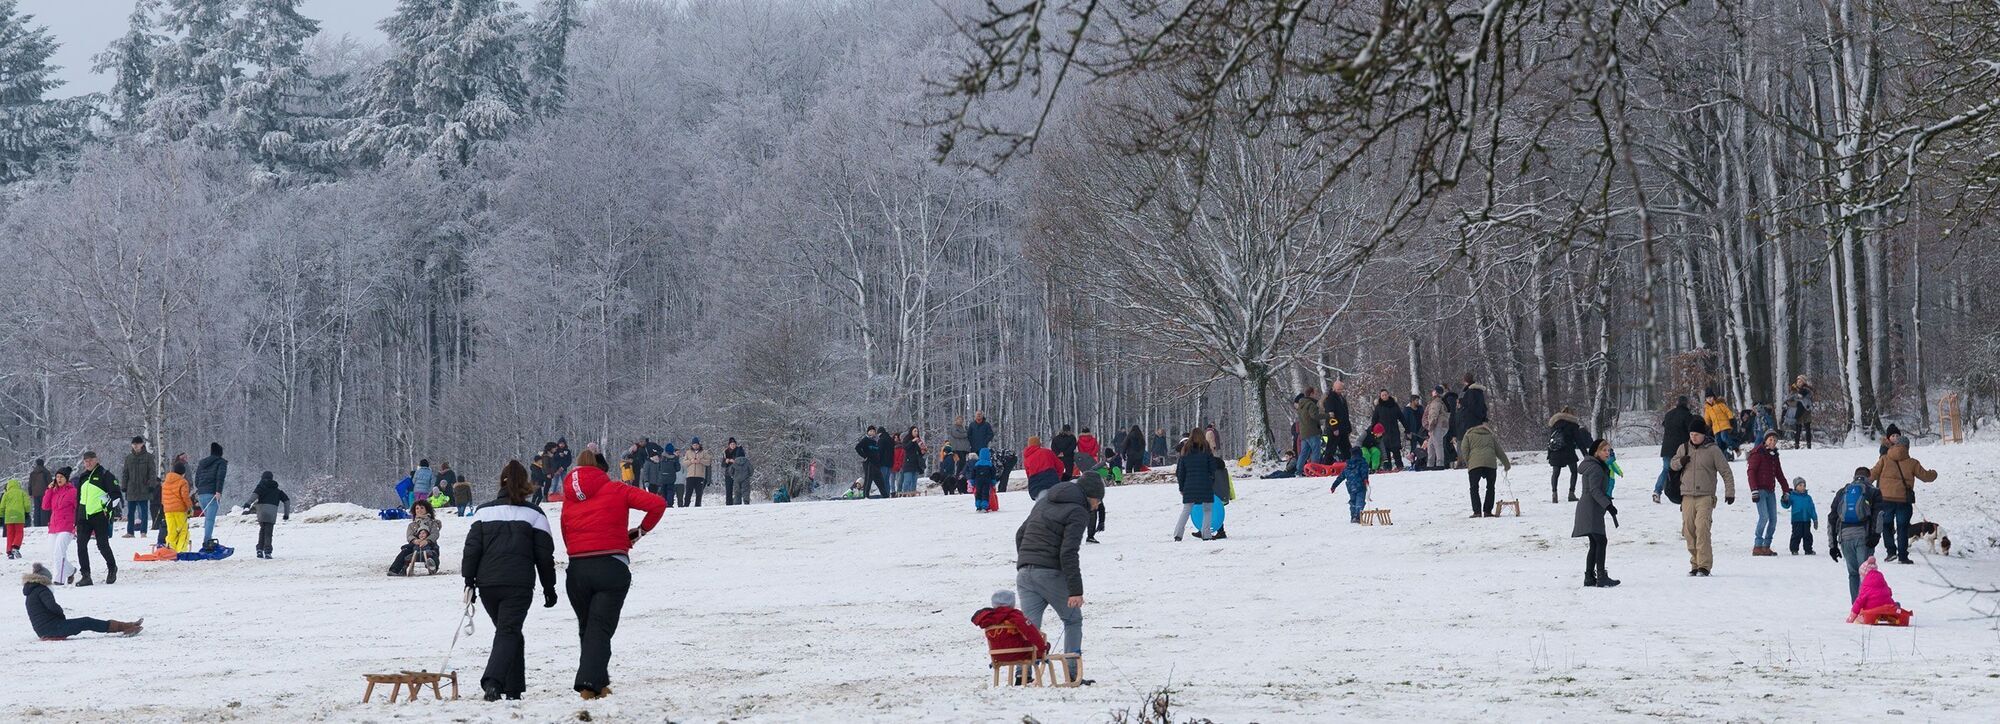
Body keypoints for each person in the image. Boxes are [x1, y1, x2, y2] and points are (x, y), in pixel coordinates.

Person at [558, 448, 667, 700]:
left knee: (588, 627)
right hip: (611, 565)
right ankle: (587, 684)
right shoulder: (616, 489)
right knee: (600, 627)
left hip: (577, 568)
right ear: (600, 468)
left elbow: (565, 531)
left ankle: (600, 681)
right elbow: (658, 504)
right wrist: (640, 531)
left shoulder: (569, 499)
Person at [463, 460, 559, 701]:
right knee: (508, 631)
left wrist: (469, 581)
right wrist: (550, 587)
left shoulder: (483, 511)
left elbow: (472, 549)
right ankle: (493, 682)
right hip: (518, 583)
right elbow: (544, 555)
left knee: (509, 631)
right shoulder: (534, 514)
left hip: (488, 584)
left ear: (501, 482)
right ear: (525, 483)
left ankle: (514, 689)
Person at [1014, 472, 1101, 683]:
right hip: (1049, 572)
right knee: (1073, 620)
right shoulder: (1078, 511)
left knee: (1030, 626)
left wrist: (1026, 559)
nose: (1097, 506)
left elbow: (1020, 533)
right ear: (1091, 496)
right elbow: (1068, 552)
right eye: (1098, 500)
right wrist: (1075, 591)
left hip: (1024, 572)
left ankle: (1021, 673)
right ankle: (1073, 674)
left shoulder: (1044, 501)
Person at [1670, 429, 1736, 576]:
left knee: (1702, 529)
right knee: (1688, 531)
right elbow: (1672, 464)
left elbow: (1726, 471)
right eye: (1691, 434)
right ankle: (1695, 563)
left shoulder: (1713, 450)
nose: (1693, 437)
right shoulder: (1684, 448)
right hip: (1686, 496)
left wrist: (1730, 492)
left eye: (1696, 434)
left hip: (1705, 496)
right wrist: (1680, 461)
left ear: (1703, 435)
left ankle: (1704, 566)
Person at [22, 564, 142, 640]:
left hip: (43, 630)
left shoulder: (31, 591)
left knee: (85, 622)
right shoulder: (42, 589)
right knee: (86, 621)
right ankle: (125, 627)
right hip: (52, 629)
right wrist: (61, 616)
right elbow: (52, 607)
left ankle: (128, 625)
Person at [1870, 440, 1935, 565]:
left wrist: (1861, 480)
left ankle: (1891, 552)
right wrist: (1934, 473)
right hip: (1904, 500)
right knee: (1903, 528)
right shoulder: (1912, 463)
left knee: (1887, 525)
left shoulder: (1884, 459)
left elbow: (1872, 474)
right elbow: (1926, 477)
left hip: (1885, 499)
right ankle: (1903, 556)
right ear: (1908, 447)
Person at [1827, 468, 1883, 601]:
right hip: (1863, 537)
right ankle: (1867, 607)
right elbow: (1879, 516)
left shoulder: (1842, 492)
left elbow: (1832, 519)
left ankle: (1855, 607)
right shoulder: (1873, 492)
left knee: (1853, 574)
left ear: (1854, 476)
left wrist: (1833, 545)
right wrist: (1875, 536)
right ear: (1869, 477)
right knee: (1866, 574)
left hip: (1845, 537)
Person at [1572, 439, 1619, 588]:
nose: (1607, 453)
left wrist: (1607, 503)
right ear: (1596, 452)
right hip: (1591, 508)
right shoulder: (1596, 468)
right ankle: (1601, 577)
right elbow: (1594, 490)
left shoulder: (1594, 465)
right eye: (1604, 450)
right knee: (1601, 541)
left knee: (1595, 542)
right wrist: (1608, 505)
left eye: (1608, 450)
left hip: (1589, 507)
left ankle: (1589, 577)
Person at [973, 589, 1050, 678]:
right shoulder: (1015, 616)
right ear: (1012, 603)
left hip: (997, 656)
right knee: (1045, 645)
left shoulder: (988, 618)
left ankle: (1020, 677)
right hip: (1019, 654)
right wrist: (1042, 647)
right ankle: (1026, 677)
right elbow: (1031, 632)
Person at [73, 453, 120, 587]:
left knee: (102, 545)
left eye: (90, 460)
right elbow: (78, 500)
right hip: (83, 516)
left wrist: (107, 508)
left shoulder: (105, 474)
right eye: (85, 461)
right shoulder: (82, 477)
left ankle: (112, 567)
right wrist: (76, 520)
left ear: (96, 460)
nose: (88, 463)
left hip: (99, 515)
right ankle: (86, 575)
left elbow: (116, 495)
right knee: (81, 545)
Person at [1174, 432, 1226, 541]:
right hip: (1205, 486)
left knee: (1186, 510)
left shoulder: (1185, 453)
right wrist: (1210, 480)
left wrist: (1181, 487)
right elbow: (1213, 468)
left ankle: (1178, 534)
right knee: (1207, 510)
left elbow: (1180, 473)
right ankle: (1206, 534)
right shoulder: (1206, 452)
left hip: (1189, 486)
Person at [1744, 431, 1789, 556]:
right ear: (1765, 440)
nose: (1773, 442)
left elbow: (1779, 474)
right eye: (1770, 440)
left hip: (1770, 491)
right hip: (1760, 490)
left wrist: (1786, 490)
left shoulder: (1774, 456)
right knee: (1764, 517)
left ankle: (1766, 545)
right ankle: (1758, 545)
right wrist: (1754, 490)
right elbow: (1751, 472)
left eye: (1775, 440)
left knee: (1773, 519)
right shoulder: (1758, 453)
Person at [1460, 422, 1511, 517]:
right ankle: (1487, 511)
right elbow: (1499, 451)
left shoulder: (1468, 435)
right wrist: (1506, 464)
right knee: (1490, 487)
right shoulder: (1490, 436)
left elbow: (1464, 449)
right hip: (1490, 463)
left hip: (1475, 464)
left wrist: (1469, 462)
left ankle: (1477, 512)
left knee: (1474, 488)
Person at [241, 471, 292, 559]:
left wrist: (247, 504)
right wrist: (286, 514)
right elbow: (287, 501)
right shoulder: (278, 491)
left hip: (261, 511)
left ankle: (259, 550)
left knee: (262, 529)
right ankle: (267, 551)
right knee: (269, 532)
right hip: (271, 513)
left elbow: (254, 496)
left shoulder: (260, 487)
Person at [1655, 397, 1697, 503]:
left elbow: (1664, 424)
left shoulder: (1669, 414)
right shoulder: (1687, 416)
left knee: (1666, 470)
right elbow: (1691, 429)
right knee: (1683, 470)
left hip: (1666, 448)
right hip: (1679, 448)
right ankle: (1682, 490)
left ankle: (1657, 491)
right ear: (1686, 404)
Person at [1546, 408, 1589, 503]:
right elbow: (1579, 441)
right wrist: (1586, 455)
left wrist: (1549, 454)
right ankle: (1571, 494)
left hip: (1555, 451)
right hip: (1568, 451)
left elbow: (1551, 440)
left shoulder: (1554, 423)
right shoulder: (1572, 424)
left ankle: (1554, 494)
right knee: (1574, 471)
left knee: (1555, 473)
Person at [1847, 557, 1908, 624]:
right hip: (1886, 610)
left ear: (1864, 575)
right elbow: (1889, 592)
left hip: (1871, 612)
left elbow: (1858, 602)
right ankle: (1893, 615)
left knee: (1862, 609)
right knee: (1897, 604)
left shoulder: (1865, 586)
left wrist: (1851, 618)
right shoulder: (1881, 579)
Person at [389, 499, 443, 575]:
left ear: (427, 509)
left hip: (429, 544)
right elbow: (409, 535)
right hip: (415, 545)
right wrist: (415, 540)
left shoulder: (432, 523)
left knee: (434, 551)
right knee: (405, 551)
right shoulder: (412, 525)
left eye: (422, 508)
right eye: (417, 508)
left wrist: (427, 541)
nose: (419, 510)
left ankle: (433, 566)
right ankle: (395, 569)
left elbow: (435, 534)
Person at [42, 469, 77, 583]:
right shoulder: (54, 491)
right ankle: (70, 571)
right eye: (57, 477)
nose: (59, 479)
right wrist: (49, 490)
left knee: (59, 552)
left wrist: (77, 524)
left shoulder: (72, 491)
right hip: (54, 526)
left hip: (67, 526)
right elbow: (45, 506)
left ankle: (59, 579)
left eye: (61, 477)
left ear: (66, 478)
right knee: (53, 553)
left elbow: (78, 508)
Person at [121, 437, 157, 539]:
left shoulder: (148, 457)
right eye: (134, 444)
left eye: (138, 444)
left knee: (144, 511)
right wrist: (124, 486)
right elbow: (125, 473)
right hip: (131, 488)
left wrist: (151, 485)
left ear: (142, 444)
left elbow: (152, 472)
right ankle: (130, 532)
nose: (136, 446)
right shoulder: (129, 458)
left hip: (144, 488)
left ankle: (143, 532)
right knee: (130, 512)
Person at [195, 443, 229, 548]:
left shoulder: (202, 463)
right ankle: (207, 541)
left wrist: (200, 488)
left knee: (207, 518)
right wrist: (218, 491)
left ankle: (208, 538)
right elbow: (220, 477)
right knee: (210, 519)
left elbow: (197, 479)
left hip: (201, 494)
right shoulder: (221, 462)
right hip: (212, 494)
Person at [160, 459, 195, 552]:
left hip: (167, 510)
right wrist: (190, 507)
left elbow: (163, 498)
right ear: (183, 473)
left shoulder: (165, 482)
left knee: (171, 531)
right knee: (183, 531)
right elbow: (185, 496)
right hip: (179, 510)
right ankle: (181, 550)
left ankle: (170, 550)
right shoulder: (183, 482)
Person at [1334, 448, 1371, 523]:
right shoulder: (1362, 463)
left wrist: (1334, 486)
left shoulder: (1348, 465)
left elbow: (1341, 476)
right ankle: (1357, 516)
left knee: (1353, 501)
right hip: (1360, 485)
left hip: (1350, 487)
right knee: (1360, 501)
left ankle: (1353, 516)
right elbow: (1364, 472)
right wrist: (1365, 480)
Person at [1371, 390, 1405, 471]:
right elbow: (1374, 420)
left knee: (1396, 449)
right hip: (1383, 432)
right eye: (1382, 395)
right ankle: (1387, 467)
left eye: (1385, 395)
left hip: (1394, 431)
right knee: (1385, 450)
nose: (1384, 396)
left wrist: (1407, 428)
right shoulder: (1378, 407)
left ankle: (1400, 466)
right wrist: (1372, 430)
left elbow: (1401, 417)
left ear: (1388, 395)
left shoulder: (1394, 405)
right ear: (1380, 397)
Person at [1785, 478, 1817, 556]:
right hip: (1796, 520)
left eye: (1804, 485)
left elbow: (1812, 508)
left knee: (1807, 535)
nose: (1802, 487)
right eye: (1800, 485)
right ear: (1795, 487)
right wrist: (1785, 499)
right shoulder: (1792, 496)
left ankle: (1808, 549)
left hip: (1806, 520)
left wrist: (1815, 519)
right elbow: (1786, 505)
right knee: (1796, 534)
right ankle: (1794, 549)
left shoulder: (1808, 497)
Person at [1423, 387, 1449, 470]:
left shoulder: (1435, 402)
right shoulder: (1439, 402)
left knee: (1438, 444)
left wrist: (1431, 426)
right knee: (1431, 444)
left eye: (1433, 391)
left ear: (1436, 392)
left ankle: (1440, 464)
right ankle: (1429, 464)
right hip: (1439, 425)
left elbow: (1434, 415)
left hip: (1437, 425)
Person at [1326, 381, 1352, 461]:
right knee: (1331, 448)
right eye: (1338, 389)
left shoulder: (1342, 398)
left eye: (1341, 389)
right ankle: (1327, 463)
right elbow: (1331, 415)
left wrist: (1348, 427)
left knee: (1346, 448)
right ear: (1334, 388)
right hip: (1335, 428)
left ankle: (1349, 462)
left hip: (1343, 427)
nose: (1340, 391)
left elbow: (1345, 414)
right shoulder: (1330, 398)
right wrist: (1334, 427)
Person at [681, 439, 712, 507]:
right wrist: (691, 461)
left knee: (699, 493)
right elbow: (684, 463)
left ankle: (698, 505)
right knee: (688, 492)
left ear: (699, 445)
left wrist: (700, 461)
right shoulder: (688, 452)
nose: (695, 446)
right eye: (694, 445)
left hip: (700, 476)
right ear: (692, 445)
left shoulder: (704, 452)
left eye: (696, 445)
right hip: (690, 475)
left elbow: (708, 462)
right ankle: (686, 505)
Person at [1785, 377, 1814, 449]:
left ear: (1804, 382)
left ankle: (1809, 445)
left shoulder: (1807, 390)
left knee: (1807, 428)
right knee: (1798, 429)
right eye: (1798, 381)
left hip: (1806, 411)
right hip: (1797, 411)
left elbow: (1807, 398)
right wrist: (1795, 400)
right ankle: (1796, 445)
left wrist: (1799, 398)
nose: (1799, 382)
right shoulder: (1793, 390)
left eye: (1801, 381)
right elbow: (1789, 400)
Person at [2, 478, 28, 558]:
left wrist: (2, 515)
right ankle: (15, 546)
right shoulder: (22, 493)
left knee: (10, 534)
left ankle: (9, 552)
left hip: (9, 516)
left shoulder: (6, 494)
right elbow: (27, 504)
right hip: (19, 515)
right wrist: (27, 512)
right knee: (19, 532)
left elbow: (2, 506)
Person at [899, 431, 925, 496]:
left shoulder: (918, 441)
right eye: (914, 431)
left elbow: (921, 452)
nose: (916, 432)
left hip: (915, 464)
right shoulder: (907, 442)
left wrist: (923, 451)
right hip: (907, 464)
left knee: (914, 481)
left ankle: (912, 494)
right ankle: (904, 494)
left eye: (917, 431)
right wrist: (912, 441)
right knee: (907, 480)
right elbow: (906, 448)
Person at [27, 459, 50, 528]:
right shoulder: (46, 472)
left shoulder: (32, 473)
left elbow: (30, 484)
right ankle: (44, 523)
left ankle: (37, 523)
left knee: (37, 509)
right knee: (44, 508)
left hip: (35, 493)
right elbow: (50, 483)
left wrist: (30, 493)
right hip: (44, 493)